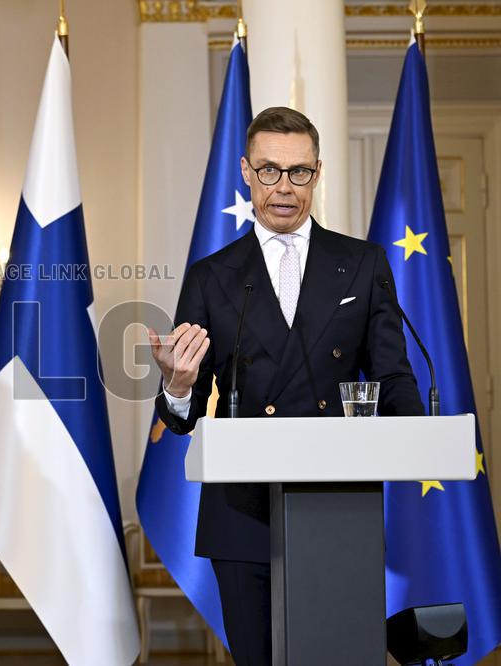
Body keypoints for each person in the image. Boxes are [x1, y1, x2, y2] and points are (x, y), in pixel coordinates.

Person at [147, 107, 425, 666]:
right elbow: (184, 413)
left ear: (317, 173)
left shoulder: (363, 263)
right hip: (242, 513)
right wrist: (177, 384)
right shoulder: (211, 275)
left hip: (339, 507)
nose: (283, 188)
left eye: (298, 172)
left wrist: (415, 438)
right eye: (269, 171)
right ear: (247, 173)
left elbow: (393, 377)